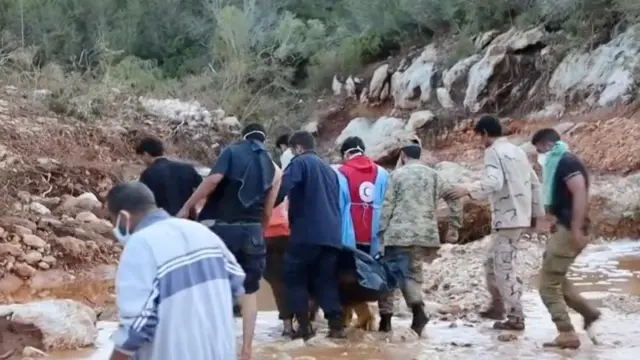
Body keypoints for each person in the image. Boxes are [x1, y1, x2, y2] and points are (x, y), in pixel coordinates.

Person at [177, 123, 282, 359]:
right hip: (253, 232)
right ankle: (246, 350)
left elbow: (213, 180)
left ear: (243, 136)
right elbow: (267, 211)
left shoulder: (232, 151)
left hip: (221, 230)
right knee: (249, 292)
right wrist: (258, 232)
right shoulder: (275, 169)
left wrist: (187, 206)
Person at [106, 182, 245, 360]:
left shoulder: (140, 245)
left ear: (123, 217)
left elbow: (136, 326)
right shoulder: (202, 232)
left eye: (112, 220)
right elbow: (236, 283)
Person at [443, 115, 545, 331]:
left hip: (507, 219)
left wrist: (467, 189)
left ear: (485, 134)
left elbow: (494, 182)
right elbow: (535, 184)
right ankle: (497, 306)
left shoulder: (493, 152)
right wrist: (537, 215)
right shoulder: (518, 151)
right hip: (520, 216)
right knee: (491, 263)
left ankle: (516, 317)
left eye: (480, 137)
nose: (480, 141)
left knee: (502, 268)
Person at [377, 142, 462, 336]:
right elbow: (453, 197)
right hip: (425, 235)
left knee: (390, 274)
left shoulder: (396, 175)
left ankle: (389, 320)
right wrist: (454, 226)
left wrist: (380, 231)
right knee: (412, 273)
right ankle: (416, 313)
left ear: (403, 156)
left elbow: (388, 205)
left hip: (398, 234)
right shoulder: (433, 175)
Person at [531, 128, 600, 349]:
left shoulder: (566, 162)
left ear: (547, 144)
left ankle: (566, 332)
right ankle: (588, 312)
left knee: (547, 285)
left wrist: (576, 228)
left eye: (539, 149)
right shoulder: (559, 163)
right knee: (557, 280)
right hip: (564, 228)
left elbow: (579, 192)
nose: (539, 154)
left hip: (569, 230)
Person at [279, 130, 345, 340]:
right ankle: (336, 326)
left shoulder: (299, 163)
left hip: (306, 233)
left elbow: (282, 188)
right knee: (325, 281)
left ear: (298, 148)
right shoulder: (329, 170)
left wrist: (264, 206)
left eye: (292, 149)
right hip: (332, 236)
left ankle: (304, 327)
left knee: (294, 278)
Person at [334, 136, 389, 330]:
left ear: (346, 153)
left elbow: (337, 204)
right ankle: (376, 319)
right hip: (373, 233)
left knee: (345, 277)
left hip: (348, 233)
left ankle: (353, 316)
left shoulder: (340, 172)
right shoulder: (382, 173)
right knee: (369, 274)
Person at [136, 137, 203, 216]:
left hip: (163, 221)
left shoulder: (148, 174)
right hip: (187, 218)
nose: (141, 160)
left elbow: (143, 201)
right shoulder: (187, 168)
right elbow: (203, 188)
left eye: (141, 157)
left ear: (146, 154)